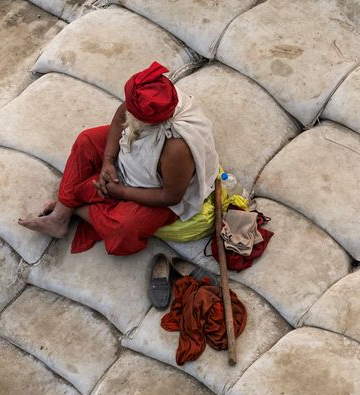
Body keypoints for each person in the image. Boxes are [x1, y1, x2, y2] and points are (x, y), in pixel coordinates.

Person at [19, 62, 219, 255]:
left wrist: (122, 192)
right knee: (86, 140)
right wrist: (108, 160)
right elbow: (119, 119)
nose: (127, 110)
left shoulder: (176, 148)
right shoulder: (146, 96)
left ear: (148, 121)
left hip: (161, 191)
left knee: (124, 229)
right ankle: (60, 218)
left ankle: (72, 208)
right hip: (135, 154)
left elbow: (170, 197)